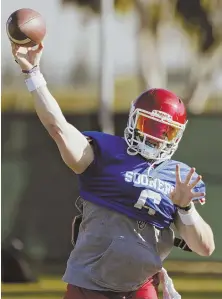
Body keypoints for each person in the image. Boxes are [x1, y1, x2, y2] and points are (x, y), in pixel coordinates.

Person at [11, 43, 215, 299]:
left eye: (165, 131)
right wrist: (33, 74)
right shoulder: (105, 152)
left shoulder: (179, 176)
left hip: (141, 287)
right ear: (133, 119)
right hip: (88, 285)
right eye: (147, 124)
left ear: (178, 135)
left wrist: (186, 209)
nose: (154, 137)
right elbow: (58, 127)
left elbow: (205, 247)